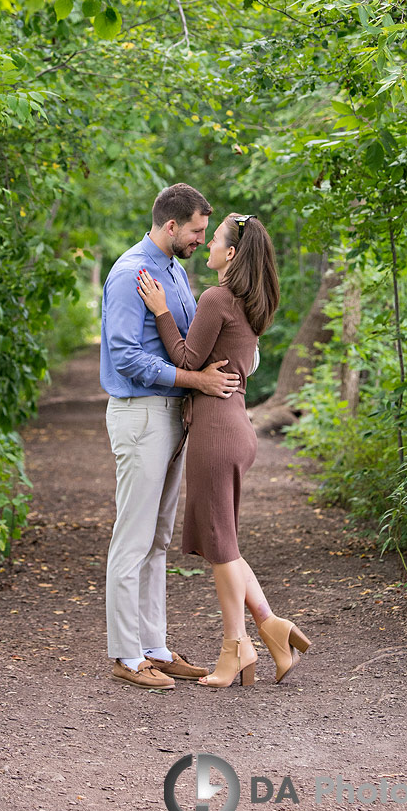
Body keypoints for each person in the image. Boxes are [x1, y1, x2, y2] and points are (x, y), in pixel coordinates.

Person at [137, 213, 310, 688]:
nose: (206, 245)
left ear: (231, 254)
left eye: (213, 240)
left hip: (216, 433)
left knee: (222, 549)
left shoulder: (216, 298)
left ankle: (236, 648)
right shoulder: (249, 302)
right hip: (235, 427)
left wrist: (160, 311)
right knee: (225, 543)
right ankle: (271, 627)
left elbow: (189, 360)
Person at [101, 183, 241, 690]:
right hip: (140, 414)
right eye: (198, 231)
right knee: (133, 536)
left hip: (173, 415)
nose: (202, 241)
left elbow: (183, 346)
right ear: (171, 226)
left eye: (207, 232)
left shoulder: (176, 274)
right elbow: (125, 356)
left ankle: (154, 648)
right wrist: (197, 382)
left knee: (158, 538)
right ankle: (125, 654)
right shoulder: (129, 274)